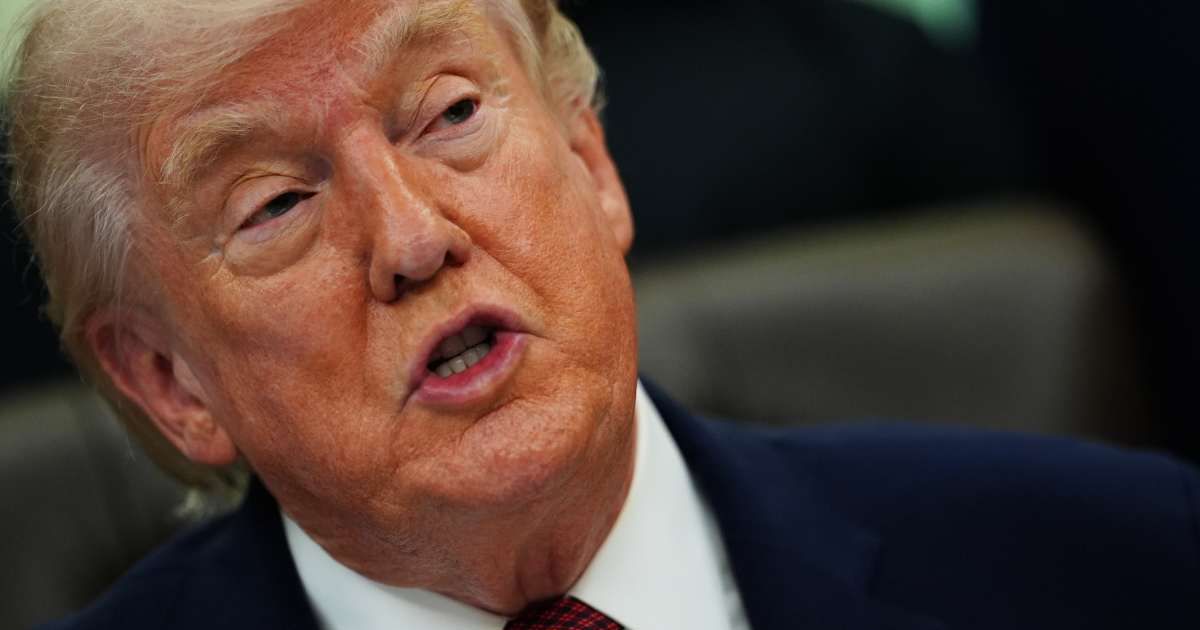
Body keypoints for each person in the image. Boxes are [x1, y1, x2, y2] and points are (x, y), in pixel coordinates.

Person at [4, 1, 1197, 629]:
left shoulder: (1131, 560)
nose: (413, 239)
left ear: (592, 160)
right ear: (167, 380)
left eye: (449, 113)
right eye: (273, 204)